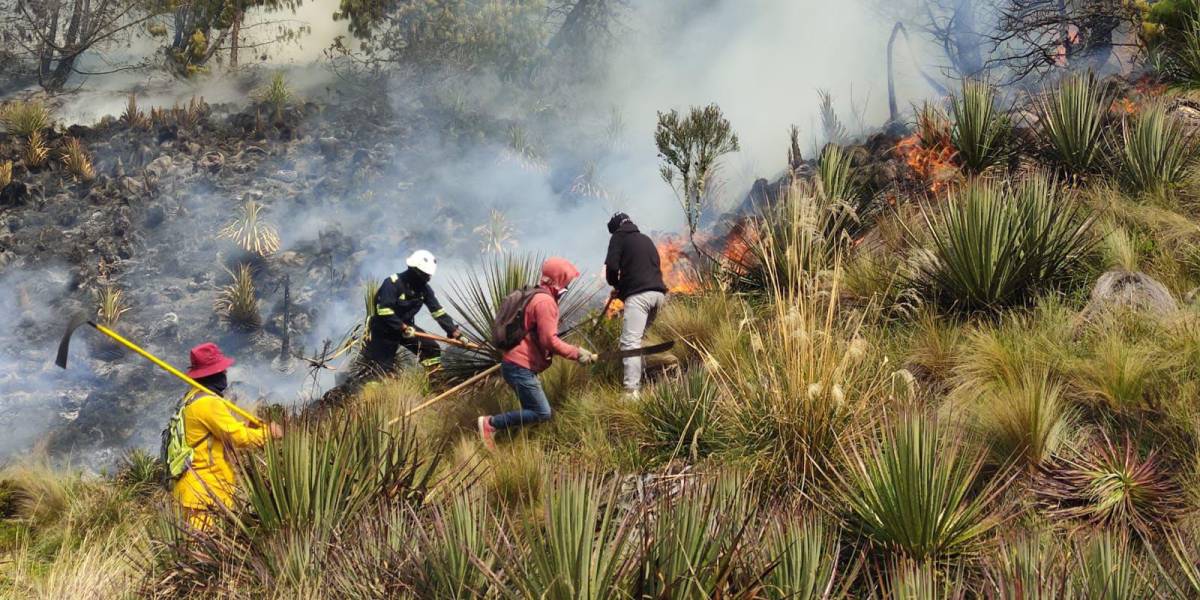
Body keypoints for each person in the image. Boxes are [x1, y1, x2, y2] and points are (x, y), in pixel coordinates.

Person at [477, 257, 597, 449]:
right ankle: (491, 424)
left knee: (532, 409)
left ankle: (520, 438)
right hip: (520, 367)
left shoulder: (533, 294)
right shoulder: (545, 302)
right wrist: (578, 353)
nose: (568, 286)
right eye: (567, 281)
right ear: (558, 280)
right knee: (542, 413)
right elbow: (549, 340)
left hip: (514, 364)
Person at [172, 342, 282, 530]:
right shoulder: (208, 404)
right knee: (202, 554)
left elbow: (220, 430)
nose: (224, 375)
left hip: (195, 490)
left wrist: (252, 427)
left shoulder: (192, 397)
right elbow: (238, 437)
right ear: (213, 374)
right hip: (205, 492)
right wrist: (268, 433)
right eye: (221, 371)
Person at [362, 249, 463, 377]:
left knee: (430, 349)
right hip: (384, 330)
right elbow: (384, 311)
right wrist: (402, 327)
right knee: (381, 369)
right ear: (415, 271)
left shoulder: (424, 290)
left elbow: (437, 311)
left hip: (407, 328)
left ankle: (435, 382)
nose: (428, 278)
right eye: (425, 275)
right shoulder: (392, 283)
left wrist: (453, 331)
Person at [604, 212, 667, 397]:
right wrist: (623, 290)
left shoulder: (618, 236)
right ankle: (649, 379)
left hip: (640, 297)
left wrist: (616, 286)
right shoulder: (645, 239)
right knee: (640, 340)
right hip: (659, 296)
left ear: (616, 228)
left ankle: (631, 393)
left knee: (630, 344)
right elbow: (649, 268)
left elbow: (612, 269)